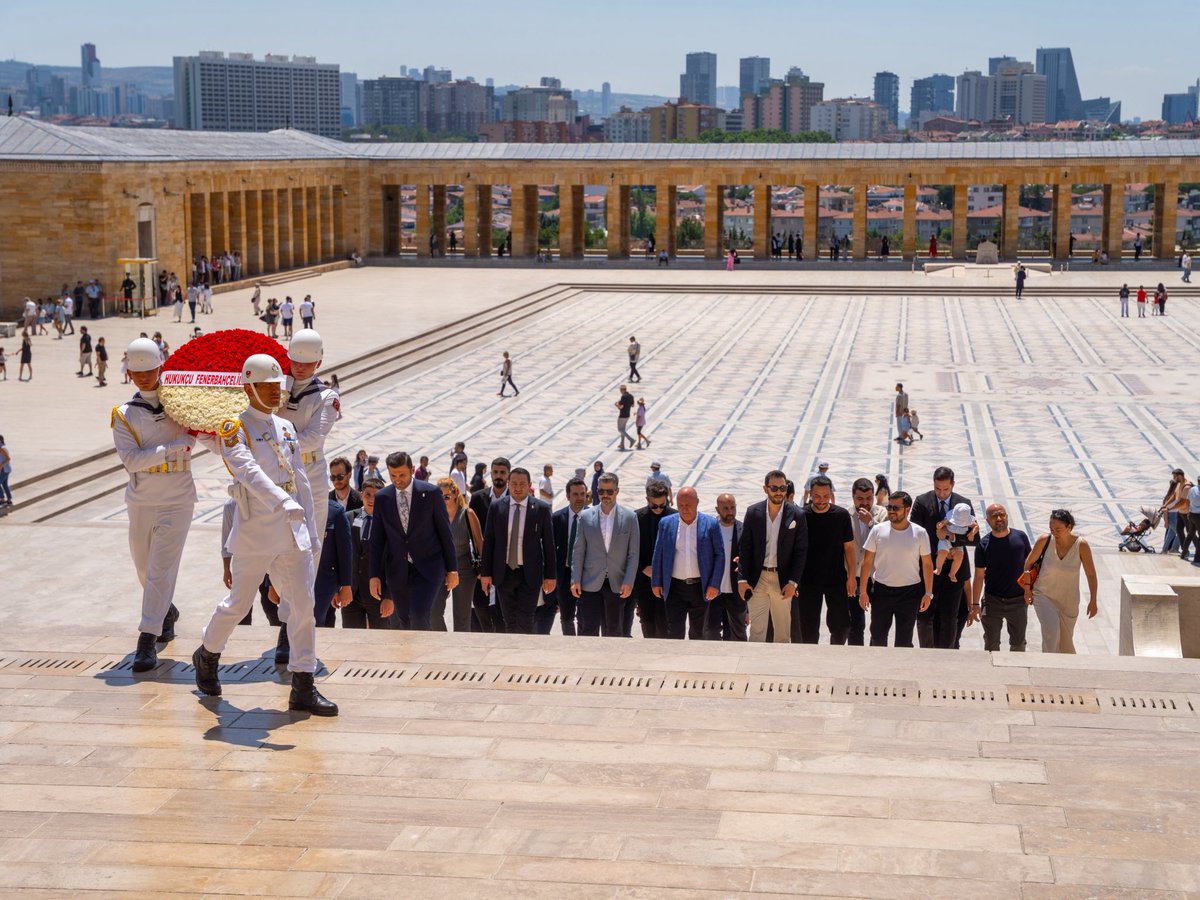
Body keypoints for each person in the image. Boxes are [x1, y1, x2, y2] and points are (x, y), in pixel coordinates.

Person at [192, 353, 337, 716]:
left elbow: (299, 476)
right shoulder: (233, 428)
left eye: (278, 386)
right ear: (248, 387)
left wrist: (310, 527)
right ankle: (207, 653)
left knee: (303, 606)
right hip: (257, 530)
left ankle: (303, 683)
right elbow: (248, 472)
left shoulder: (285, 427)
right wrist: (281, 502)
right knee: (238, 604)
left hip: (292, 531)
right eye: (268, 387)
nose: (276, 393)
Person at [111, 338, 195, 672]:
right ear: (129, 372)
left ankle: (147, 639)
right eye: (138, 372)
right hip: (143, 500)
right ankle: (166, 611)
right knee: (144, 568)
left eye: (150, 370)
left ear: (161, 367)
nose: (144, 377)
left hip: (178, 498)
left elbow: (203, 433)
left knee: (160, 569)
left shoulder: (181, 405)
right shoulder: (124, 414)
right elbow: (131, 461)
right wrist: (173, 448)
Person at [369, 451, 458, 631]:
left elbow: (445, 533)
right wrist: (374, 576)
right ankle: (411, 656)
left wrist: (452, 569)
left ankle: (421, 657)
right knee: (405, 620)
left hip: (428, 567)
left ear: (412, 469)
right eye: (393, 475)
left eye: (402, 474)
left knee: (418, 614)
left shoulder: (431, 493)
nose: (397, 479)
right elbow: (377, 540)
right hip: (397, 570)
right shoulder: (382, 498)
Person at [479, 466, 556, 634]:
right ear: (508, 484)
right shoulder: (497, 507)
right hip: (503, 572)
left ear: (529, 485)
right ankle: (512, 656)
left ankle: (523, 656)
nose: (518, 488)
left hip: (530, 573)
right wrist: (485, 573)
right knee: (509, 619)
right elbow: (489, 542)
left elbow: (549, 545)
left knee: (526, 619)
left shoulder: (541, 509)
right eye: (514, 483)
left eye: (522, 484)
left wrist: (550, 576)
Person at [910, 466, 977, 650]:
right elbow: (915, 534)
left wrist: (950, 537)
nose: (941, 493)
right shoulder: (922, 502)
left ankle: (946, 656)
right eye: (937, 489)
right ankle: (927, 653)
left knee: (949, 618)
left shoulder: (964, 504)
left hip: (954, 572)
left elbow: (974, 539)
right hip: (929, 567)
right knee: (924, 617)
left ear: (953, 485)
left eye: (946, 489)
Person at [739, 470, 808, 643]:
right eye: (774, 488)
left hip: (782, 580)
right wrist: (742, 579)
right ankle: (754, 668)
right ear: (765, 488)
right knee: (756, 631)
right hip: (758, 578)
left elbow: (801, 551)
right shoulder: (753, 512)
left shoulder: (797, 515)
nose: (779, 492)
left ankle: (779, 669)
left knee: (783, 632)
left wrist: (793, 582)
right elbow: (745, 548)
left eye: (783, 488)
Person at [859, 491, 933, 647]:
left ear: (907, 509)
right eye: (889, 507)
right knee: (877, 637)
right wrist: (863, 591)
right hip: (881, 591)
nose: (891, 511)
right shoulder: (878, 530)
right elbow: (867, 562)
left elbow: (927, 564)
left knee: (904, 641)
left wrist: (928, 593)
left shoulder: (920, 533)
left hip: (910, 593)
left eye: (896, 507)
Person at [571, 472, 640, 636]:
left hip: (617, 582)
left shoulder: (630, 517)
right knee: (588, 629)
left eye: (609, 491)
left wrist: (629, 581)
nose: (605, 495)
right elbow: (578, 550)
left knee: (614, 630)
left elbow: (633, 553)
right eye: (601, 491)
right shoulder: (586, 516)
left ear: (617, 491)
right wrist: (575, 579)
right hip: (590, 581)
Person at [652, 486, 724, 640]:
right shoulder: (666, 524)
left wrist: (714, 584)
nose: (684, 509)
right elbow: (659, 553)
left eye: (688, 505)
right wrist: (656, 581)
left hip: (700, 587)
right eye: (681, 506)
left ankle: (694, 662)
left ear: (697, 502)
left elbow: (720, 555)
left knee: (698, 633)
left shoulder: (711, 524)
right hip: (674, 588)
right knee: (674, 632)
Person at [1025, 509, 1098, 654]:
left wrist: (1093, 600)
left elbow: (1091, 574)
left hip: (1068, 601)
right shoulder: (1044, 540)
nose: (1054, 533)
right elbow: (1028, 564)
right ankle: (1047, 668)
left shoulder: (1081, 545)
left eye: (1058, 529)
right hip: (1043, 594)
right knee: (1051, 634)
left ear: (1069, 527)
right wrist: (1027, 589)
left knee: (1066, 642)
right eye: (1052, 529)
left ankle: (1066, 670)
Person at [797, 476, 856, 644]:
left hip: (836, 579)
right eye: (816, 496)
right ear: (810, 495)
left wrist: (851, 577)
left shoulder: (841, 515)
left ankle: (834, 655)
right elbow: (796, 550)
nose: (821, 500)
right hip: (808, 581)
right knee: (808, 629)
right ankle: (812, 662)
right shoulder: (802, 516)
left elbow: (849, 548)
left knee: (841, 625)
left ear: (831, 494)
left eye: (825, 496)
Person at [968, 503, 1031, 651]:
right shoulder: (983, 544)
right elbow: (978, 576)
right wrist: (975, 605)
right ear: (988, 520)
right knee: (991, 643)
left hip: (1018, 601)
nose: (998, 518)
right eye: (994, 516)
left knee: (1018, 643)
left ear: (1006, 516)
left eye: (1001, 514)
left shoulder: (1021, 537)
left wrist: (1030, 590)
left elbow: (1031, 566)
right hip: (992, 601)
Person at [434, 476, 483, 632]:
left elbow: (480, 543)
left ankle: (461, 652)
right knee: (433, 613)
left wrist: (484, 571)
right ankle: (443, 644)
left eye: (446, 496)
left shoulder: (467, 514)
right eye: (439, 497)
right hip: (441, 568)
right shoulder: (435, 515)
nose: (443, 500)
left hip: (464, 568)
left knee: (462, 617)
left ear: (455, 494)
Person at [342, 477, 393, 629]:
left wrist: (389, 596)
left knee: (380, 643)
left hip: (378, 595)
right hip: (351, 594)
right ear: (361, 495)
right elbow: (340, 556)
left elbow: (396, 562)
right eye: (368, 495)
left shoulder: (390, 523)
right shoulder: (348, 518)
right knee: (352, 641)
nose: (371, 500)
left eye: (376, 496)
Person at [847, 477, 887, 645]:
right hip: (854, 576)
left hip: (876, 576)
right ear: (853, 497)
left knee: (879, 623)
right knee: (855, 622)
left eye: (868, 498)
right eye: (860, 499)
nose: (864, 503)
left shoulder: (882, 513)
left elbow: (887, 538)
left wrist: (871, 522)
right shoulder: (846, 515)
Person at [547, 477, 589, 636]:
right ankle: (570, 643)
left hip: (586, 573)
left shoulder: (594, 516)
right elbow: (550, 547)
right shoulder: (557, 518)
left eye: (582, 494)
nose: (579, 498)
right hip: (564, 573)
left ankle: (583, 643)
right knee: (566, 616)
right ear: (568, 496)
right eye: (575, 494)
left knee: (585, 615)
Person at [632, 482, 674, 638]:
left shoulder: (674, 516)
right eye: (654, 506)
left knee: (666, 623)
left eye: (662, 506)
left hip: (668, 581)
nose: (658, 509)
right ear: (647, 499)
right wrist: (643, 567)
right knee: (647, 622)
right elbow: (632, 548)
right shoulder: (636, 517)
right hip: (643, 581)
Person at [704, 493, 745, 641]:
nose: (730, 511)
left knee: (737, 634)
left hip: (736, 593)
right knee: (711, 632)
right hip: (714, 591)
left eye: (732, 507)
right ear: (717, 509)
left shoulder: (744, 530)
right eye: (725, 508)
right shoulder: (709, 530)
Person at [313, 498, 353, 628]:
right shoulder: (292, 505)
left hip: (323, 581)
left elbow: (345, 551)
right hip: (294, 577)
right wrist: (271, 583)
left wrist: (346, 585)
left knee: (314, 621)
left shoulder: (335, 512)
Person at [934, 502, 978, 582]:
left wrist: (972, 533)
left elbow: (976, 526)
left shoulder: (969, 522)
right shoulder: (949, 519)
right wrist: (939, 525)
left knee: (959, 556)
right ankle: (938, 568)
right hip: (946, 540)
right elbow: (940, 523)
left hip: (959, 543)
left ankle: (952, 573)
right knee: (942, 552)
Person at [1159, 468, 1192, 554]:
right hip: (1175, 514)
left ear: (1180, 476)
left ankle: (1165, 549)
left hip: (1179, 513)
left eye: (1174, 476)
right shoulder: (1177, 486)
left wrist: (1167, 507)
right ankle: (1179, 549)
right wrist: (1166, 506)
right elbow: (1174, 498)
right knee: (1179, 533)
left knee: (1174, 532)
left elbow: (1181, 501)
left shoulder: (1184, 486)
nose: (1174, 478)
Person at [1183, 475, 1200, 564]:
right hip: (1198, 516)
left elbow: (1187, 501)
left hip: (1191, 515)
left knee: (1190, 534)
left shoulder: (1192, 489)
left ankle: (1183, 553)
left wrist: (1189, 511)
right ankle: (1197, 558)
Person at [615, 383, 635, 450]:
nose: (620, 391)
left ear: (622, 390)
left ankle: (631, 440)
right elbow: (632, 405)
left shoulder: (623, 396)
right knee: (623, 430)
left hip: (622, 415)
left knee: (620, 429)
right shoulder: (631, 396)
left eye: (620, 390)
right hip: (627, 415)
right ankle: (622, 444)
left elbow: (620, 406)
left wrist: (616, 405)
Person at [0, 435, 11, 508]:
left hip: (5, 469)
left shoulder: (2, 448)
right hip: (6, 469)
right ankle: (9, 500)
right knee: (5, 485)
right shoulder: (2, 447)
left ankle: (2, 499)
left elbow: (8, 459)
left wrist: (0, 466)